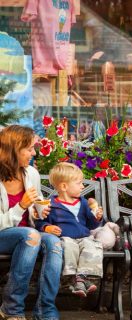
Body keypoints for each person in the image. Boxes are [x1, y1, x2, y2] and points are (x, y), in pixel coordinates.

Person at [0, 125, 63, 320]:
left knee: (53, 243)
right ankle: (12, 309)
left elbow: (35, 206)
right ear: (14, 149)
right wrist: (21, 206)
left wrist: (39, 210)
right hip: (6, 235)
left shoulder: (31, 174)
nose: (34, 153)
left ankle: (45, 310)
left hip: (28, 236)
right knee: (31, 235)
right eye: (29, 149)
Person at [35, 162, 104, 298]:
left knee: (93, 244)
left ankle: (82, 277)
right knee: (68, 246)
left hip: (84, 237)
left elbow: (91, 225)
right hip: (65, 237)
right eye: (79, 183)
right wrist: (47, 227)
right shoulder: (51, 205)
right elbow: (40, 223)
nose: (82, 186)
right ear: (64, 186)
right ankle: (74, 279)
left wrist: (97, 218)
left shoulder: (83, 203)